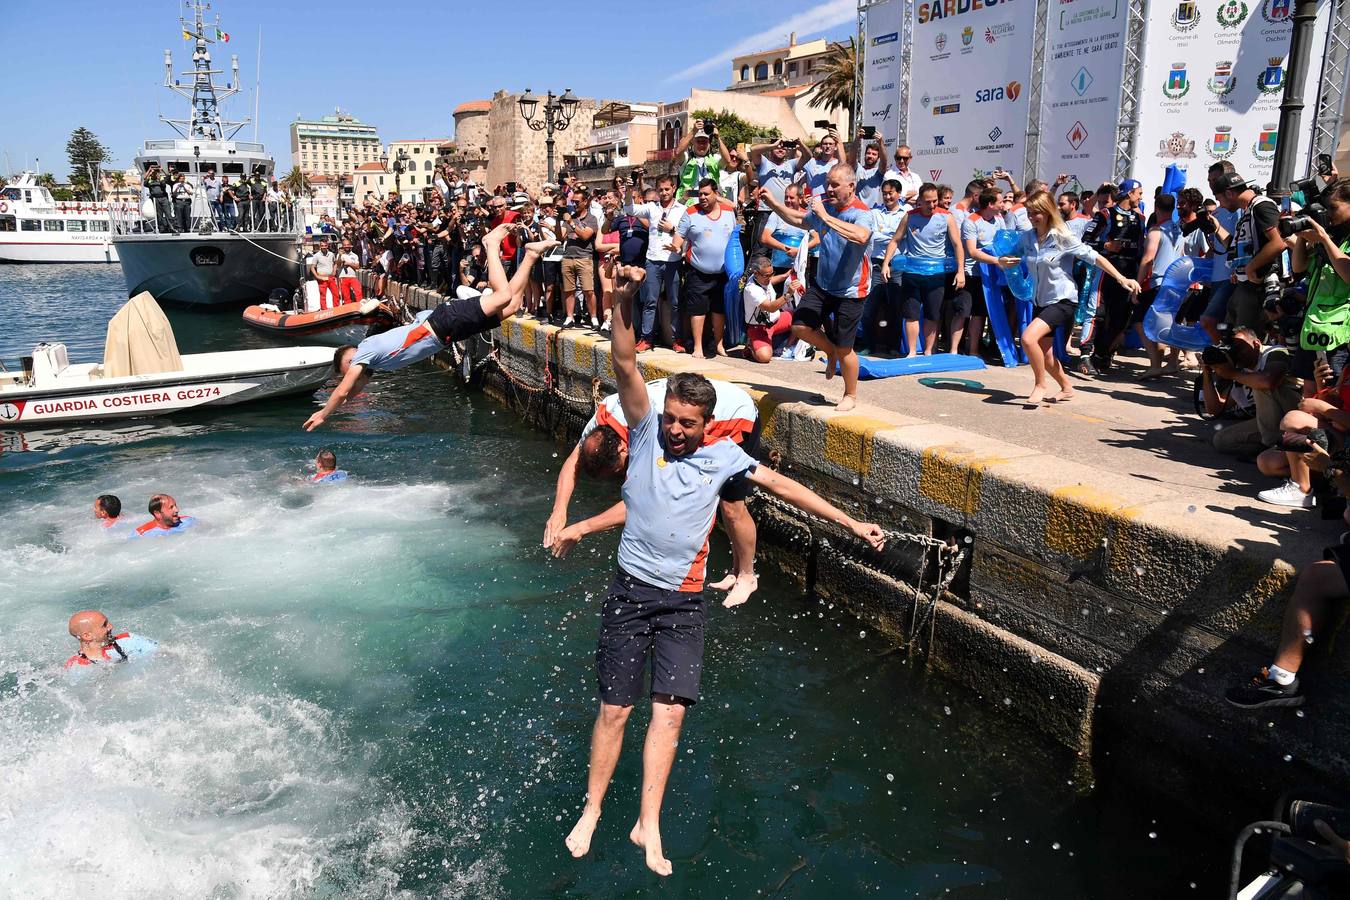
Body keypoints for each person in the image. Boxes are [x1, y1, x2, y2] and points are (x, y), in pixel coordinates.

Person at [560, 264, 884, 876]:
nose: (676, 431)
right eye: (672, 420)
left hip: (683, 603)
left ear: (706, 423)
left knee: (671, 712)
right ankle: (594, 807)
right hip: (632, 594)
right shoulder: (645, 432)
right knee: (615, 711)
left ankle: (647, 822)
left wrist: (850, 523)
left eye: (687, 424)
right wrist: (624, 302)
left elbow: (784, 485)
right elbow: (626, 363)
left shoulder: (722, 455)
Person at [303, 225, 552, 430]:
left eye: (346, 367)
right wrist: (338, 408)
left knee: (502, 295)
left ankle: (491, 244)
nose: (350, 374)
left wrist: (323, 414)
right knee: (512, 305)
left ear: (352, 355)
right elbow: (348, 393)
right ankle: (530, 255)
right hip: (448, 332)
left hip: (441, 323)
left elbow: (343, 390)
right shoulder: (376, 364)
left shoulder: (365, 350)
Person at [545, 374, 762, 600]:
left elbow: (642, 504)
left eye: (620, 470)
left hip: (736, 415)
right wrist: (559, 510)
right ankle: (736, 570)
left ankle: (747, 574)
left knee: (731, 507)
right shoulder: (601, 421)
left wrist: (582, 528)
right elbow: (574, 461)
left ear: (623, 448)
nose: (623, 475)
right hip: (702, 404)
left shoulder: (656, 428)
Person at [1003, 191, 1141, 405]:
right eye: (1029, 213)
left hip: (1063, 300)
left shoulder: (1062, 236)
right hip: (1041, 301)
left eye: (1036, 213)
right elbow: (1010, 256)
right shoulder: (1027, 238)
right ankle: (1067, 388)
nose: (1032, 217)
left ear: (1048, 212)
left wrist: (1122, 278)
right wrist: (1002, 261)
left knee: (1028, 338)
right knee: (1046, 355)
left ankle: (1040, 385)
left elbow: (1094, 257)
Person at [756, 167, 874, 411]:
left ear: (851, 187)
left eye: (835, 185)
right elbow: (798, 219)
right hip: (823, 284)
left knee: (845, 348)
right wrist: (774, 203)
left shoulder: (861, 213)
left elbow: (861, 236)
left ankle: (850, 394)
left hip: (851, 290)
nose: (829, 189)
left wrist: (826, 217)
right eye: (828, 184)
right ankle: (829, 351)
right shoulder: (825, 208)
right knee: (799, 326)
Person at [882, 183, 965, 357]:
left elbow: (958, 245)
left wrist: (960, 271)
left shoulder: (947, 217)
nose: (932, 205)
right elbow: (895, 240)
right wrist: (885, 264)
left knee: (932, 314)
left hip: (936, 275)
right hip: (912, 274)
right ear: (919, 200)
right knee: (911, 314)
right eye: (928, 202)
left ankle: (928, 351)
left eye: (935, 201)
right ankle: (912, 351)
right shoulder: (909, 216)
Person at [1082, 178, 1146, 373]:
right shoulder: (1105, 215)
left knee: (1120, 317)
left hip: (1129, 272)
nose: (1141, 197)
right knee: (1097, 312)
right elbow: (1085, 242)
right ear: (1129, 193)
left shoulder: (1140, 218)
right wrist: (1106, 246)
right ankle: (1085, 354)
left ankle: (1103, 354)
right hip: (1107, 269)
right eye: (1139, 193)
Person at [1215, 171, 1286, 331]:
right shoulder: (1249, 209)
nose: (1221, 205)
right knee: (1228, 334)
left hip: (1257, 287)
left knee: (1245, 343)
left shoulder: (1261, 205)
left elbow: (1278, 243)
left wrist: (1251, 267)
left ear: (1229, 193)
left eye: (1219, 199)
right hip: (1243, 286)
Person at [672, 179, 736, 357]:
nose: (702, 197)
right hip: (698, 271)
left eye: (706, 194)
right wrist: (677, 247)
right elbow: (679, 237)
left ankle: (719, 344)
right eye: (700, 194)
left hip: (723, 272)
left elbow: (735, 237)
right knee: (697, 309)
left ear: (716, 194)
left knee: (719, 309)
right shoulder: (690, 212)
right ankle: (698, 346)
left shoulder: (728, 212)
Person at [625, 173, 685, 350]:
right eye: (661, 190)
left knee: (674, 302)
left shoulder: (682, 210)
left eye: (667, 189)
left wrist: (671, 229)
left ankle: (676, 339)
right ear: (657, 191)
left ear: (674, 188)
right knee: (650, 301)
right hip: (653, 260)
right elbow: (630, 209)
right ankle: (646, 339)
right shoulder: (652, 207)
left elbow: (687, 233)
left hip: (673, 261)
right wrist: (630, 190)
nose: (664, 192)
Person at [64, 610, 158, 670]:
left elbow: (164, 653)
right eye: (104, 625)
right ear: (87, 636)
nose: (111, 626)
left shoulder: (129, 641)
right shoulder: (76, 667)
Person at [742, 255, 793, 362]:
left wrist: (785, 275)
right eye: (767, 276)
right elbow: (770, 308)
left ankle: (788, 346)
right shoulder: (752, 289)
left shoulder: (763, 279)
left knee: (802, 319)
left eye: (772, 274)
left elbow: (771, 281)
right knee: (764, 358)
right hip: (758, 328)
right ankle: (751, 344)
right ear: (756, 274)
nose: (770, 278)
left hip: (775, 321)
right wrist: (788, 295)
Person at [560, 187, 598, 329]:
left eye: (577, 202)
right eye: (573, 201)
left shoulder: (591, 219)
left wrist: (571, 223)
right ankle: (569, 317)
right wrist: (559, 221)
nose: (574, 204)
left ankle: (593, 318)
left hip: (584, 257)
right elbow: (560, 236)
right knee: (569, 290)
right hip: (568, 257)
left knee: (588, 290)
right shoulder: (570, 217)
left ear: (585, 202)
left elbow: (585, 236)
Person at [673, 118, 731, 203]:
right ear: (693, 142)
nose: (701, 144)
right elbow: (678, 152)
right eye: (698, 141)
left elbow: (727, 159)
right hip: (689, 202)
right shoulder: (686, 158)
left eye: (704, 142)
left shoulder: (715, 158)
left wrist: (718, 138)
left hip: (710, 202)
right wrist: (693, 131)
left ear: (709, 143)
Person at [849, 131, 889, 209]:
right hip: (856, 209)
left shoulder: (878, 172)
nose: (870, 156)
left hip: (871, 211)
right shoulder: (857, 168)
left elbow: (884, 161)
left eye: (874, 154)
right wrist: (857, 139)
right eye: (868, 153)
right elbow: (852, 156)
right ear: (864, 155)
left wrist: (880, 142)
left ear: (878, 157)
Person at [801, 127, 841, 198]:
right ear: (821, 147)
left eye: (830, 144)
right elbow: (807, 183)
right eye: (825, 144)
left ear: (835, 147)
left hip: (830, 205)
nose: (828, 146)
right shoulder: (812, 163)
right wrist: (806, 195)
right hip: (813, 204)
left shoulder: (837, 164)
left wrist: (838, 140)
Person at [144, 163, 174, 234]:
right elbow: (145, 180)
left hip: (163, 198)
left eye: (156, 173)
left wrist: (162, 170)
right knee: (159, 215)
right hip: (155, 199)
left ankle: (171, 227)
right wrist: (149, 170)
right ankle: (162, 228)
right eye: (154, 174)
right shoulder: (150, 181)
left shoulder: (161, 179)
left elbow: (168, 177)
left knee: (168, 213)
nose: (155, 174)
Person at [310, 239, 339, 310]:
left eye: (325, 245)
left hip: (330, 277)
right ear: (320, 246)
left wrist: (334, 271)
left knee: (336, 293)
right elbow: (312, 267)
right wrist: (317, 276)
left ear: (327, 245)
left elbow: (335, 263)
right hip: (322, 278)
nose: (323, 247)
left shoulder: (331, 254)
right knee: (323, 295)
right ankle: (324, 309)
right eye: (322, 245)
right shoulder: (316, 256)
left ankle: (337, 308)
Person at [337, 239, 363, 305]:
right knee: (346, 295)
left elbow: (357, 267)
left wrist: (349, 263)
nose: (346, 246)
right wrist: (340, 256)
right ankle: (348, 307)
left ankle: (359, 305)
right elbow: (338, 264)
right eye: (345, 245)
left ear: (350, 245)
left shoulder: (354, 255)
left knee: (358, 290)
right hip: (343, 277)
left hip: (352, 276)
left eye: (348, 245)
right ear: (342, 246)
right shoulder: (340, 255)